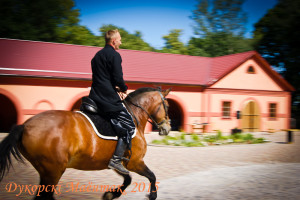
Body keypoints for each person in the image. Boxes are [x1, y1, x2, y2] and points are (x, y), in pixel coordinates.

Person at [89, 29, 135, 175]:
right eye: (120, 39)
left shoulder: (96, 56)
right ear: (114, 41)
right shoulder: (115, 55)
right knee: (129, 124)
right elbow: (117, 78)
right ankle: (115, 159)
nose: (121, 42)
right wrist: (123, 88)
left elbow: (103, 78)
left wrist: (113, 85)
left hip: (94, 96)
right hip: (107, 98)